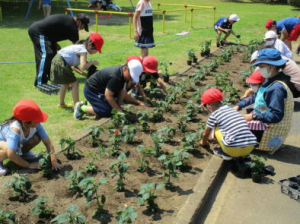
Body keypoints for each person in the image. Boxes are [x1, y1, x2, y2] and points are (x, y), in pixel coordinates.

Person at [234, 48, 294, 154]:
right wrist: (239, 106)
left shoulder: (276, 88)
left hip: (270, 127)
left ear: (272, 66)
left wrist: (252, 116)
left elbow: (276, 116)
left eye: (261, 66)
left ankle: (260, 143)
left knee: (236, 127)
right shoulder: (271, 79)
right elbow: (256, 97)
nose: (259, 69)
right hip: (264, 116)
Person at [0, 99, 63, 176]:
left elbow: (48, 143)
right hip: (2, 144)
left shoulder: (36, 125)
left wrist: (53, 161)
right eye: (37, 120)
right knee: (8, 148)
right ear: (26, 122)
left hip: (15, 146)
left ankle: (23, 154)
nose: (39, 122)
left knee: (36, 138)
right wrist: (28, 165)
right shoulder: (15, 129)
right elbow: (11, 155)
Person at [28, 13, 90, 86]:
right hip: (38, 32)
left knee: (54, 56)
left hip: (47, 35)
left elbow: (53, 29)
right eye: (83, 26)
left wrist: (54, 43)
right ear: (79, 22)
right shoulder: (72, 27)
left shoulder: (70, 22)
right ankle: (39, 82)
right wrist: (88, 67)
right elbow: (79, 50)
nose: (82, 28)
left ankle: (52, 77)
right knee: (47, 54)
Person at [74, 59, 147, 120]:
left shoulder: (123, 74)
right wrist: (118, 110)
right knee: (107, 111)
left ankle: (93, 103)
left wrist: (137, 102)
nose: (131, 78)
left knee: (113, 106)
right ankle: (81, 107)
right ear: (125, 68)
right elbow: (108, 95)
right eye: (131, 76)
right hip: (91, 90)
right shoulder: (116, 77)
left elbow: (122, 92)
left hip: (101, 89)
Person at [199, 88, 257, 160]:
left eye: (204, 106)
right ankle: (245, 157)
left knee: (216, 128)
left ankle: (225, 154)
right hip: (250, 147)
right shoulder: (232, 110)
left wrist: (203, 142)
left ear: (208, 106)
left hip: (232, 149)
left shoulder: (214, 115)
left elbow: (205, 133)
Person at [50, 32, 104, 109]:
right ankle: (77, 106)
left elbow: (75, 67)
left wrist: (86, 75)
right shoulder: (83, 51)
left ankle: (61, 104)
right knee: (75, 84)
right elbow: (83, 66)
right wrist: (92, 62)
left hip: (57, 61)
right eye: (96, 49)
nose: (96, 52)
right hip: (60, 62)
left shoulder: (80, 48)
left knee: (65, 84)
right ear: (89, 45)